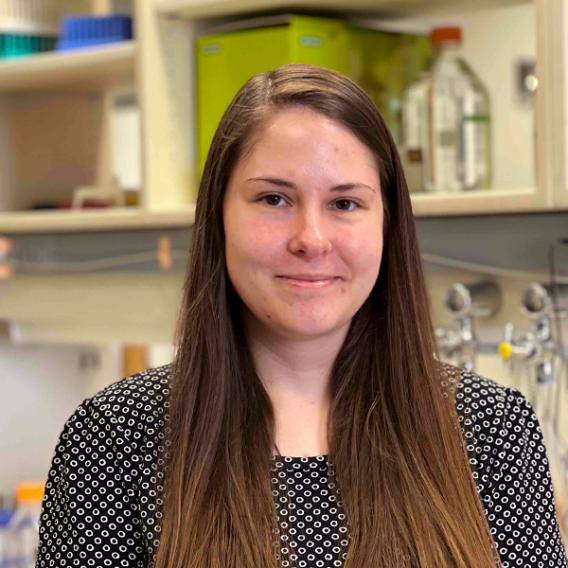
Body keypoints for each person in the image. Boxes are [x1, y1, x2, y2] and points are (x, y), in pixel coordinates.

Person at [36, 63, 567, 568]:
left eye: (344, 204)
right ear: (218, 216)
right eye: (273, 199)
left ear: (387, 224)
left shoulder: (491, 429)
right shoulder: (112, 439)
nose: (310, 240)